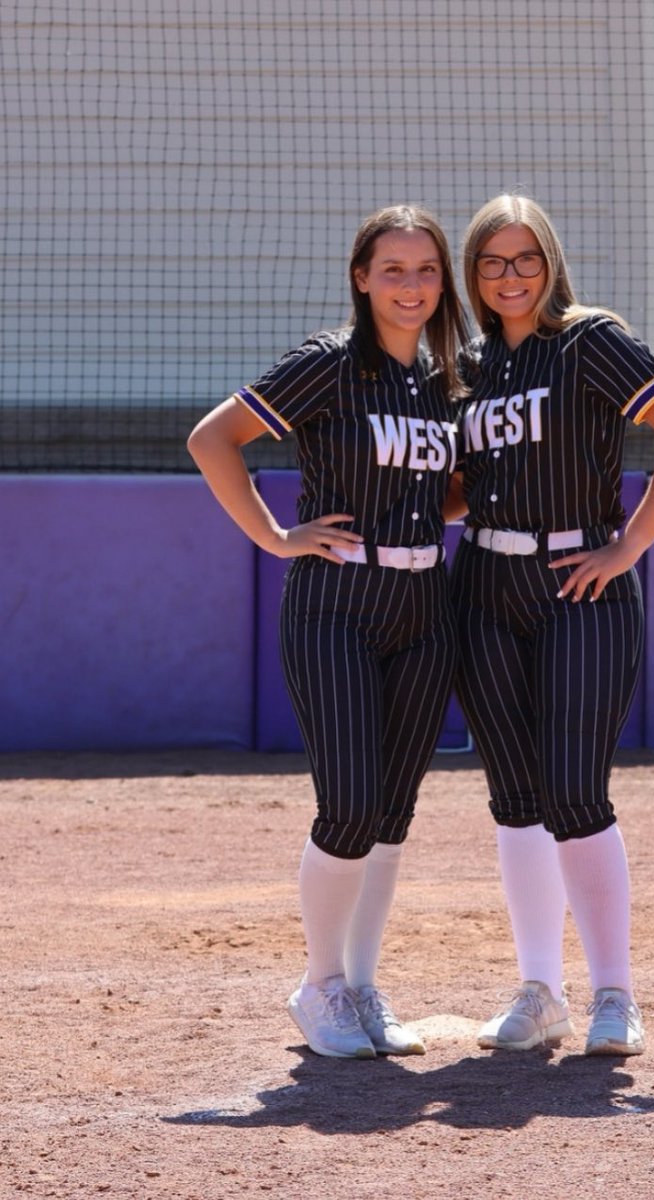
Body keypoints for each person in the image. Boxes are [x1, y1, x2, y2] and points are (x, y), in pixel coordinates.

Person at [187, 205, 469, 1059]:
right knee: (347, 805)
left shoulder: (442, 383)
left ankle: (362, 985)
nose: (411, 286)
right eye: (393, 270)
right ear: (361, 278)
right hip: (335, 604)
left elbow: (447, 490)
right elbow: (212, 439)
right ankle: (318, 988)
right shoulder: (325, 365)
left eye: (426, 271)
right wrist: (276, 536)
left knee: (391, 813)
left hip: (425, 611)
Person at [447, 194, 654, 1056]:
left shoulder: (590, 339)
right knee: (515, 796)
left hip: (580, 583)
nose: (510, 275)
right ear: (474, 275)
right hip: (485, 583)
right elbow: (462, 485)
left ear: (551, 263)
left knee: (574, 792)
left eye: (526, 258)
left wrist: (630, 545)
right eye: (492, 262)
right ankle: (539, 992)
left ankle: (614, 996)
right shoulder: (468, 365)